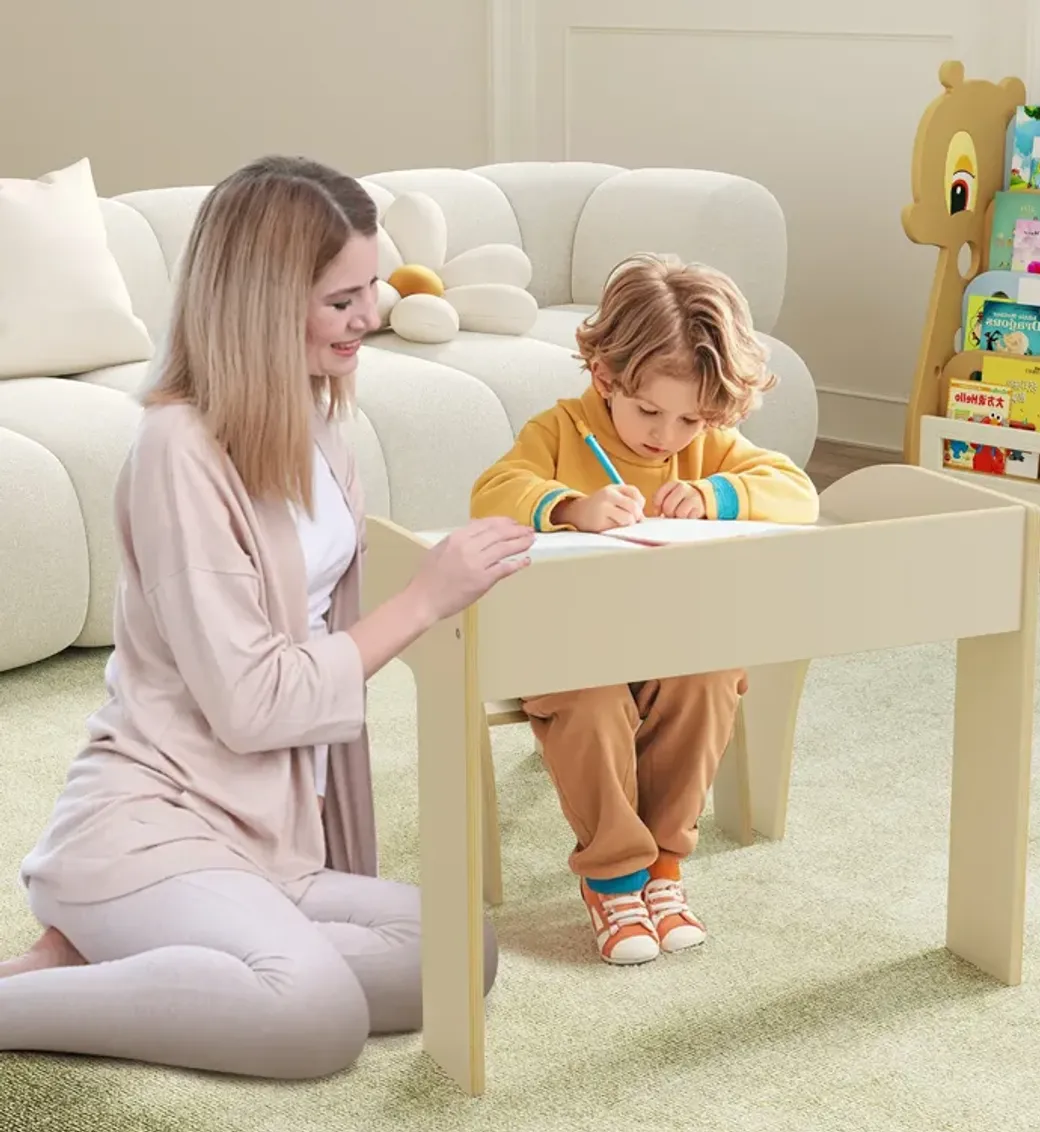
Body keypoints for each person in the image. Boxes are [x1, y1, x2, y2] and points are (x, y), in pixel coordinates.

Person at [0, 156, 535, 1079]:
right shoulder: (178, 450)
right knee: (314, 1012)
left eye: (371, 286)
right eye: (342, 300)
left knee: (463, 951)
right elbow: (252, 703)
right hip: (157, 820)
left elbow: (328, 621)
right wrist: (422, 599)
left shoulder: (318, 418)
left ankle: (150, 955)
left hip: (270, 837)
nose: (371, 315)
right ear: (259, 303)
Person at [469, 252, 819, 966]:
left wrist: (719, 495)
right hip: (564, 644)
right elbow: (493, 491)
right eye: (649, 412)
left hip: (667, 637)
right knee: (591, 701)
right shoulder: (562, 429)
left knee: (712, 677)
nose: (666, 436)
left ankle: (663, 864)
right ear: (606, 377)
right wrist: (570, 505)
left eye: (691, 418)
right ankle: (613, 875)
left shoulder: (707, 444)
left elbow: (795, 493)